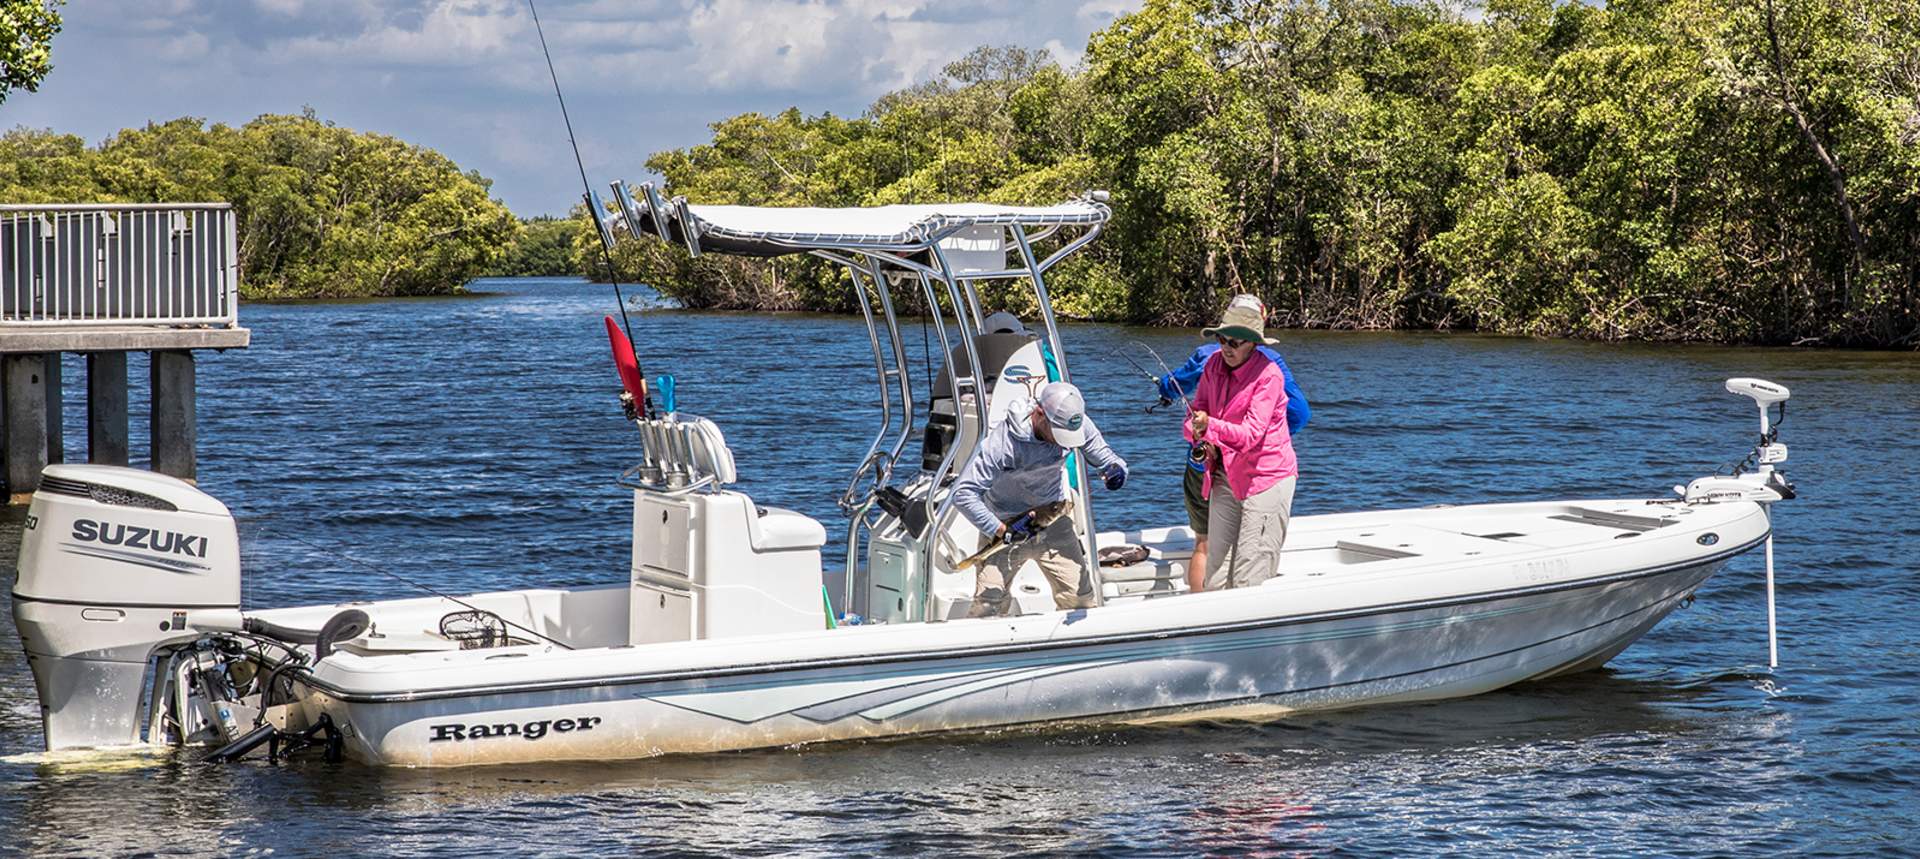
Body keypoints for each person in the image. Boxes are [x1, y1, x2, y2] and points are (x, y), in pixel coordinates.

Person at [1157, 294, 1309, 593]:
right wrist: (1199, 432)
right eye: (1223, 339)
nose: (1226, 347)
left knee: (1248, 577)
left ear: (1253, 343)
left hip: (1266, 479)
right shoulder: (1212, 364)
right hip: (1224, 474)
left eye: (1235, 342)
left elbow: (1251, 434)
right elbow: (1194, 416)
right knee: (1216, 574)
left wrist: (1210, 426)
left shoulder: (1269, 374)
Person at [951, 382, 1129, 617]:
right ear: (1039, 414)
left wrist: (1116, 471)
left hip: (1052, 519)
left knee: (1080, 601)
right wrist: (1001, 529)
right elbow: (963, 493)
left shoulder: (1076, 423)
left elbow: (1107, 458)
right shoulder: (1003, 443)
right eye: (1057, 433)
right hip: (1006, 525)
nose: (1062, 440)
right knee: (987, 607)